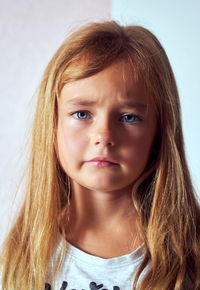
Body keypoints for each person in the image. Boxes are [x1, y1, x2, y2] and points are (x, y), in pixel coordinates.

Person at [1, 21, 200, 290]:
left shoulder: (190, 258)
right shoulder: (21, 254)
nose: (104, 135)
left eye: (129, 117)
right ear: (53, 124)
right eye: (82, 114)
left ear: (159, 132)